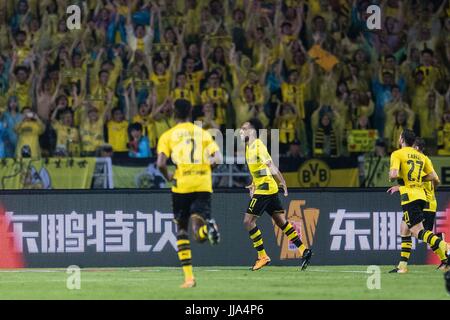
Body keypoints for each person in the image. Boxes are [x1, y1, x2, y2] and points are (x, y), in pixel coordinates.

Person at [156, 99, 222, 288]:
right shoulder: (203, 133)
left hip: (182, 184)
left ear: (173, 112)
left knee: (182, 230)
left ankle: (189, 278)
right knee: (198, 233)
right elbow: (218, 158)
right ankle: (207, 229)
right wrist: (206, 169)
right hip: (202, 184)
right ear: (191, 111)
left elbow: (161, 163)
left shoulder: (168, 135)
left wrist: (169, 175)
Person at [240, 118, 312, 271]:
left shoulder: (258, 146)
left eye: (244, 128)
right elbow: (258, 169)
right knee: (281, 222)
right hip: (266, 187)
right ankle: (304, 250)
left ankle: (263, 256)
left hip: (265, 188)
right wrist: (253, 183)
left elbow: (270, 165)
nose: (241, 131)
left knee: (248, 221)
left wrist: (282, 181)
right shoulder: (248, 146)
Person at [387, 129, 449, 274]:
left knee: (418, 232)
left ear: (402, 139)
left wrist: (392, 177)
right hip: (423, 197)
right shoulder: (423, 158)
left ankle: (445, 247)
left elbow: (394, 174)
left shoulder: (397, 154)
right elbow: (435, 178)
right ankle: (402, 266)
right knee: (404, 228)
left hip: (411, 197)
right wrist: (416, 181)